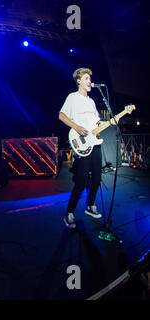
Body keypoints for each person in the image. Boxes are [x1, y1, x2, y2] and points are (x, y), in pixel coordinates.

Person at [59, 68, 116, 229]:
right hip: (82, 143)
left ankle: (90, 206)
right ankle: (69, 213)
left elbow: (96, 123)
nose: (90, 81)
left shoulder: (91, 101)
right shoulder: (72, 97)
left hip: (95, 143)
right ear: (79, 81)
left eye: (90, 78)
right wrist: (76, 127)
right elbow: (62, 115)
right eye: (86, 78)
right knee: (81, 182)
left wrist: (104, 124)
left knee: (97, 179)